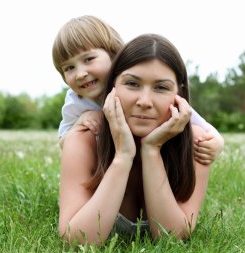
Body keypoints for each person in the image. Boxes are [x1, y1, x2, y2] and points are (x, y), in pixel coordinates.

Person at [59, 33, 212, 245]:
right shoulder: (82, 139)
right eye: (132, 83)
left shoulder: (198, 143)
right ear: (112, 86)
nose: (144, 101)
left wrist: (151, 150)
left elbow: (172, 238)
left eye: (161, 87)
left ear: (180, 94)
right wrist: (123, 156)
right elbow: (77, 241)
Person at [52, 15, 224, 165]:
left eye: (89, 59)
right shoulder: (76, 101)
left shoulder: (133, 87)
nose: (80, 74)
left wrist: (217, 140)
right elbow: (64, 144)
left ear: (114, 55)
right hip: (109, 168)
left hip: (151, 161)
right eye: (69, 68)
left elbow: (190, 116)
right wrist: (80, 122)